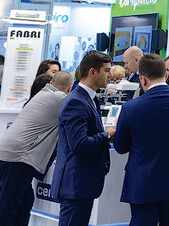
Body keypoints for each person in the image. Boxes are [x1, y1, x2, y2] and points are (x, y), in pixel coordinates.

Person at [113, 55, 169, 226]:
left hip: (143, 183)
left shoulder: (130, 108)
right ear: (165, 75)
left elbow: (120, 146)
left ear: (143, 79)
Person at [0, 71, 74, 226]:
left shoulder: (42, 93)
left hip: (8, 154)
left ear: (51, 83)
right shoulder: (60, 99)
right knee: (8, 207)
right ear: (69, 88)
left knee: (24, 201)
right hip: (18, 158)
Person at [51, 51, 115, 226]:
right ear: (92, 71)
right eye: (106, 70)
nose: (110, 74)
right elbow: (80, 144)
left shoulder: (89, 98)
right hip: (75, 184)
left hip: (83, 183)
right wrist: (107, 135)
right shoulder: (76, 101)